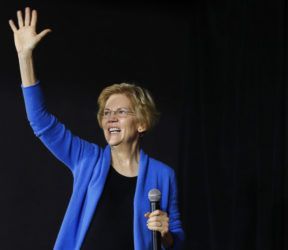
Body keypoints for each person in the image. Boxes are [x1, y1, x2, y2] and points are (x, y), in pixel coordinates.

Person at [9, 7, 184, 250]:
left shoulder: (163, 176)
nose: (110, 118)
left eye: (121, 112)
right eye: (106, 113)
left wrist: (166, 235)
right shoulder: (86, 159)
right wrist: (25, 57)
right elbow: (41, 122)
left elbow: (176, 241)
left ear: (142, 123)